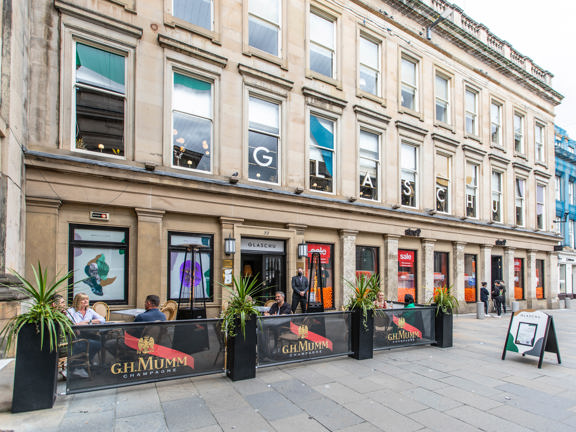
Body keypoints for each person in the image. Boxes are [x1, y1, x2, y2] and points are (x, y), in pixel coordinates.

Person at [66, 293, 105, 378]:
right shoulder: (71, 311)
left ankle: (86, 362)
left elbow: (102, 319)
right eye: (83, 300)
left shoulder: (89, 311)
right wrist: (83, 323)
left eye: (87, 299)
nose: (85, 301)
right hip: (75, 337)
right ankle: (79, 366)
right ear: (77, 301)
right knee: (95, 343)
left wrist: (88, 321)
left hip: (87, 334)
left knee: (100, 341)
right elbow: (74, 324)